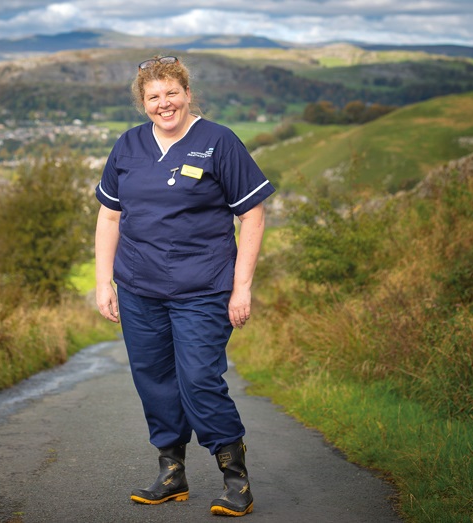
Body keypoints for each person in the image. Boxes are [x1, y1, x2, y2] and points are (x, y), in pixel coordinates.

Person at [94, 55, 275, 517]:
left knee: (198, 380)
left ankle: (236, 481)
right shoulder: (128, 146)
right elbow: (110, 215)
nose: (164, 103)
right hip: (139, 288)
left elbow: (251, 213)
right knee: (153, 380)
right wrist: (104, 282)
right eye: (153, 96)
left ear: (188, 94)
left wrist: (242, 287)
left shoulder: (219, 142)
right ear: (143, 102)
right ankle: (171, 474)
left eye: (172, 93)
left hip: (205, 288)